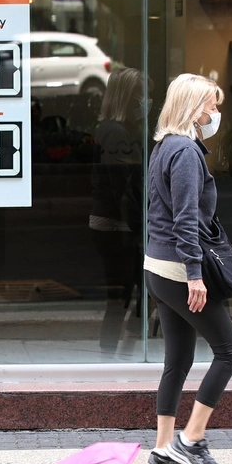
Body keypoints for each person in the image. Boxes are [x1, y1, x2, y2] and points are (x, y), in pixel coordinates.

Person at [142, 73, 232, 464]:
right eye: (211, 106)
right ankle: (192, 439)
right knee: (229, 352)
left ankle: (162, 451)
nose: (215, 113)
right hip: (178, 270)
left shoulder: (165, 144)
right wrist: (195, 275)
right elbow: (185, 219)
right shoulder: (184, 151)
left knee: (178, 360)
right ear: (191, 107)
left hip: (158, 267)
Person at [90, 68, 148, 350]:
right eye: (142, 94)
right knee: (122, 296)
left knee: (133, 293)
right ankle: (113, 352)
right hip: (118, 225)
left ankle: (121, 350)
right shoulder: (116, 133)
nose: (146, 100)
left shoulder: (120, 130)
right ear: (128, 97)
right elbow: (121, 188)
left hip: (120, 222)